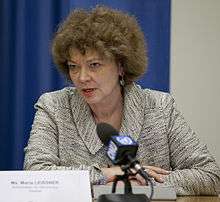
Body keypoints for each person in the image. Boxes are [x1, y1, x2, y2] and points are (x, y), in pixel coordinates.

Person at [24, 6, 220, 195]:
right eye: (73, 66)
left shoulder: (159, 107)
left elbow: (210, 175)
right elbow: (35, 176)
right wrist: (109, 174)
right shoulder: (54, 107)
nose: (82, 77)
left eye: (94, 65)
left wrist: (140, 181)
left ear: (121, 66)